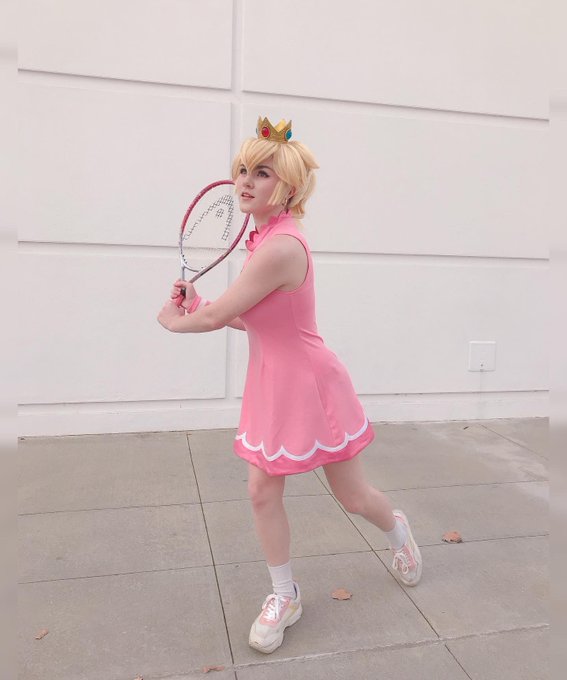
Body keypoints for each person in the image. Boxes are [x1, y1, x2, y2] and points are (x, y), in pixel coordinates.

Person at [157, 116, 422, 654]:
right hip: (271, 385)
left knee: (352, 496)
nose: (246, 181)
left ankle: (397, 529)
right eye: (242, 169)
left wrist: (174, 321)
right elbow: (252, 318)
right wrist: (200, 303)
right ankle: (285, 595)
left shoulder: (281, 247)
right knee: (261, 491)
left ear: (290, 187)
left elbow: (219, 318)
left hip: (312, 386)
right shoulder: (261, 240)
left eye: (263, 173)